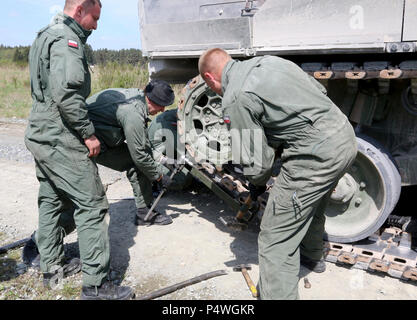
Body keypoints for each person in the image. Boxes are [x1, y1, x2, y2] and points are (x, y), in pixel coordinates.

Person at [198, 48, 358, 299]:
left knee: (275, 237)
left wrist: (256, 184)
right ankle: (313, 256)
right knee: (311, 204)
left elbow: (258, 164)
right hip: (344, 138)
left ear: (209, 77)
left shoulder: (235, 96)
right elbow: (320, 92)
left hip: (314, 155)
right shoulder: (270, 62)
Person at [24, 0, 133, 300]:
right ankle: (97, 286)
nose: (96, 26)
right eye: (94, 18)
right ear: (80, 9)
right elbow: (67, 95)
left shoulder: (45, 33)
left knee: (51, 199)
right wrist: (89, 135)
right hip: (61, 134)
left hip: (40, 131)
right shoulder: (66, 40)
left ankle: (51, 267)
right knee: (92, 204)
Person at [87, 80, 177, 226]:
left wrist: (164, 160)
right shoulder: (134, 112)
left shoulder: (138, 96)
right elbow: (140, 155)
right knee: (137, 164)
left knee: (139, 164)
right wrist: (159, 177)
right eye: (161, 105)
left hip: (103, 134)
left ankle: (144, 213)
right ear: (151, 100)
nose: (162, 110)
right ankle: (145, 214)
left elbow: (142, 143)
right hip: (91, 141)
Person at [147, 108, 194, 194]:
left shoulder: (184, 115)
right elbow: (185, 150)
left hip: (171, 152)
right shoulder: (168, 123)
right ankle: (153, 180)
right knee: (184, 179)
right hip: (157, 158)